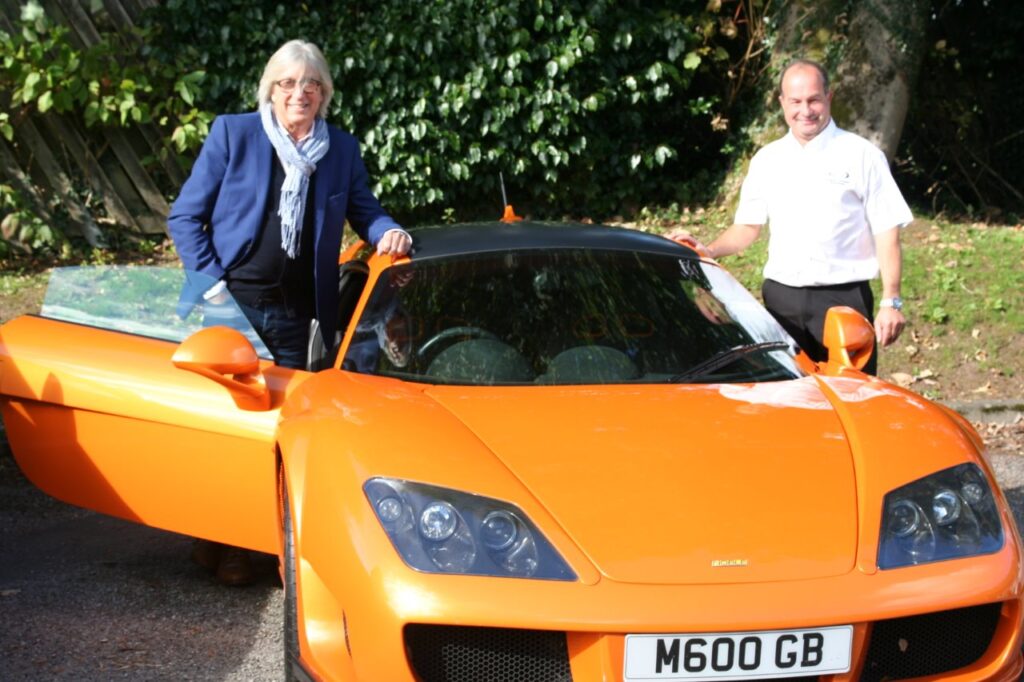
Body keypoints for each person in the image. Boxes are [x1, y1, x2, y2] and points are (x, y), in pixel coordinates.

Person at [167, 39, 411, 584]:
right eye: (288, 83)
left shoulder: (340, 149)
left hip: (303, 313)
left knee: (283, 431)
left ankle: (257, 543)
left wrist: (387, 230)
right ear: (270, 89)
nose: (299, 93)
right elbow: (185, 217)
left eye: (311, 84)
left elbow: (364, 210)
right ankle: (229, 545)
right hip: (233, 308)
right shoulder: (235, 134)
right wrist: (210, 289)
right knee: (232, 430)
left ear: (324, 94)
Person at [670, 58, 912, 375]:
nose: (805, 110)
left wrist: (891, 301)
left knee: (852, 399)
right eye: (795, 101)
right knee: (788, 397)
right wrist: (710, 250)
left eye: (813, 99)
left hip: (843, 300)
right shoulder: (767, 160)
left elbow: (886, 231)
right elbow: (747, 227)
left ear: (829, 97)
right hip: (780, 300)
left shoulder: (862, 155)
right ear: (783, 103)